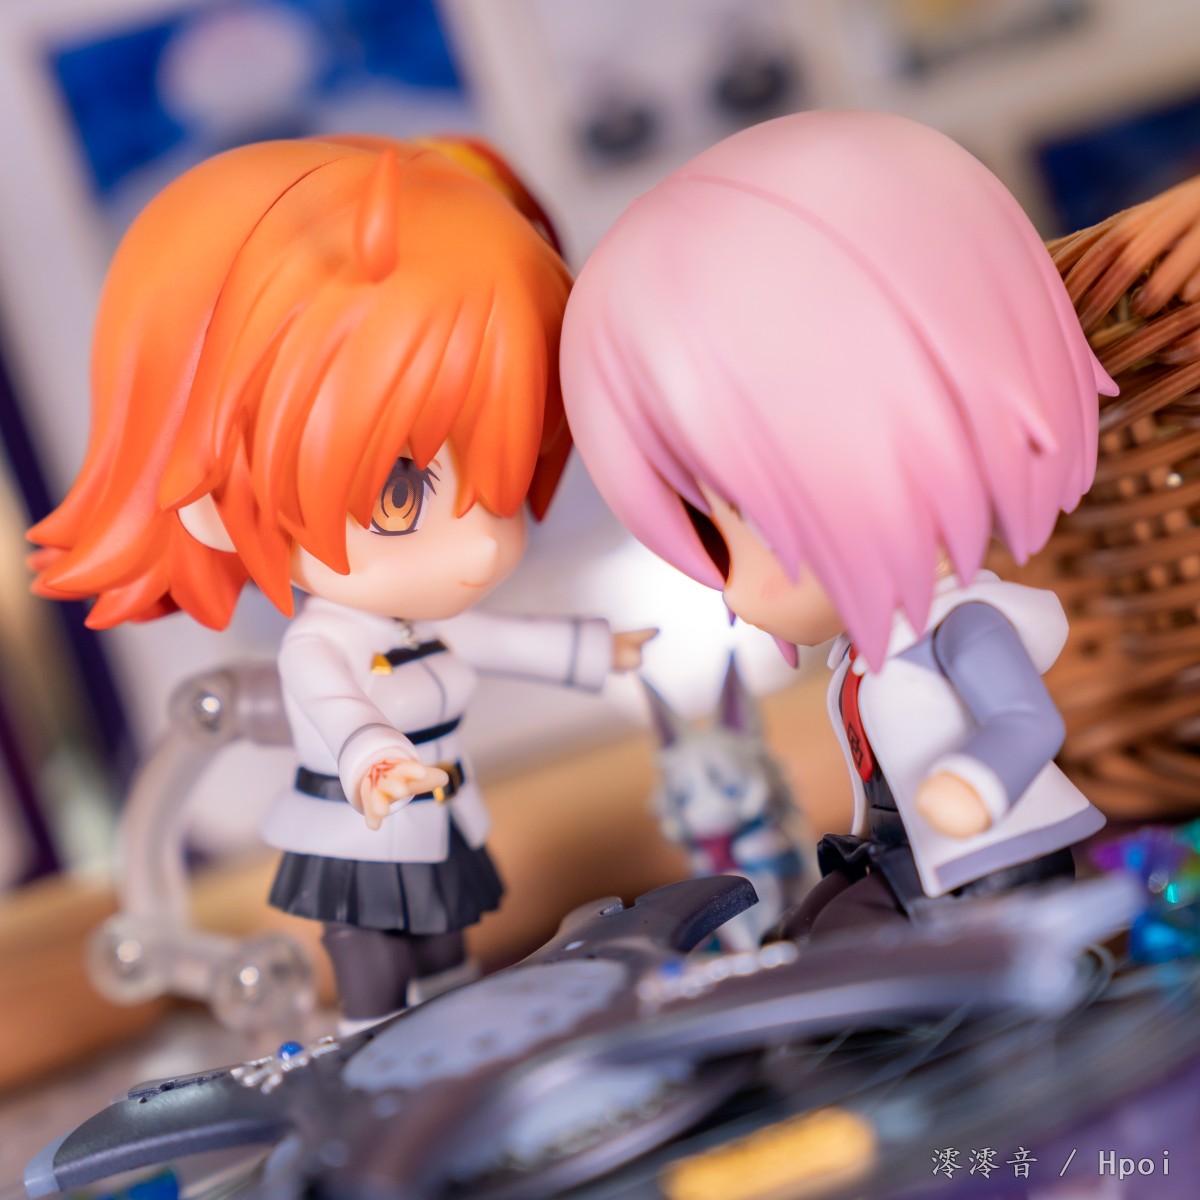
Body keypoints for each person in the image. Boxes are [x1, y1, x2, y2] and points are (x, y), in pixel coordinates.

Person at [30, 134, 651, 1022]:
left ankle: (452, 1032)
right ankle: (378, 1045)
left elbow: (497, 638)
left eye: (503, 480)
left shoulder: (417, 622)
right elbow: (333, 703)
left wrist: (593, 650)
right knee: (377, 974)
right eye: (402, 495)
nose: (482, 546)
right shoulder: (322, 642)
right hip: (359, 839)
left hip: (437, 824)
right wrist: (372, 758)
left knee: (446, 952)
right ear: (215, 501)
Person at [559, 110, 1116, 939]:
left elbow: (1029, 722)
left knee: (831, 947)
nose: (736, 590)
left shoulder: (963, 626)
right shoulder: (867, 652)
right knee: (801, 938)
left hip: (988, 868)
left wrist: (973, 785)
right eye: (713, 542)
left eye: (757, 522)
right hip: (904, 861)